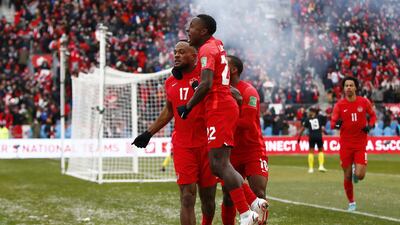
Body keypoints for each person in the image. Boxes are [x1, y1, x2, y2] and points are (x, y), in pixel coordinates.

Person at [179, 14, 267, 225]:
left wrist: (188, 106)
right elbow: (210, 81)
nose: (188, 30)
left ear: (204, 31)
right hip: (220, 105)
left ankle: (247, 214)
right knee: (219, 164)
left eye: (192, 27)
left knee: (218, 164)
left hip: (218, 108)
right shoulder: (216, 46)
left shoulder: (207, 49)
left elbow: (208, 84)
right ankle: (253, 203)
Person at [132, 40, 217, 225]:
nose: (176, 55)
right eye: (175, 52)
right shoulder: (171, 82)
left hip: (208, 144)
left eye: (181, 52)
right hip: (183, 146)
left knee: (208, 200)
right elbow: (169, 111)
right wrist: (148, 133)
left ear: (194, 56)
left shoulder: (206, 76)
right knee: (187, 197)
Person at [220, 55, 269, 225]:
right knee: (228, 196)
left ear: (233, 70)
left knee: (259, 193)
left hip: (252, 149)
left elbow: (247, 123)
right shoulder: (218, 90)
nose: (220, 66)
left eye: (224, 64)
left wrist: (221, 123)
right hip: (230, 151)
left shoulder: (249, 91)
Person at [331, 76, 376, 211]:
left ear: (356, 87)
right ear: (344, 89)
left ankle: (357, 172)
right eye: (346, 86)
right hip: (345, 145)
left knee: (360, 176)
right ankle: (351, 202)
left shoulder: (364, 102)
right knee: (347, 175)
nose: (349, 87)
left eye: (351, 85)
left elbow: (373, 116)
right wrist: (337, 124)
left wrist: (370, 125)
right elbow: (333, 122)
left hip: (360, 143)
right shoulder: (339, 105)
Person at [297, 107, 327, 173]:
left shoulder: (308, 119)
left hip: (312, 136)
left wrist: (299, 137)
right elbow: (326, 117)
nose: (308, 113)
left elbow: (302, 129)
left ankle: (311, 168)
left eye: (310, 111)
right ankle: (321, 166)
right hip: (319, 136)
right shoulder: (319, 117)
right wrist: (323, 126)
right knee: (321, 150)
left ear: (312, 112)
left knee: (311, 152)